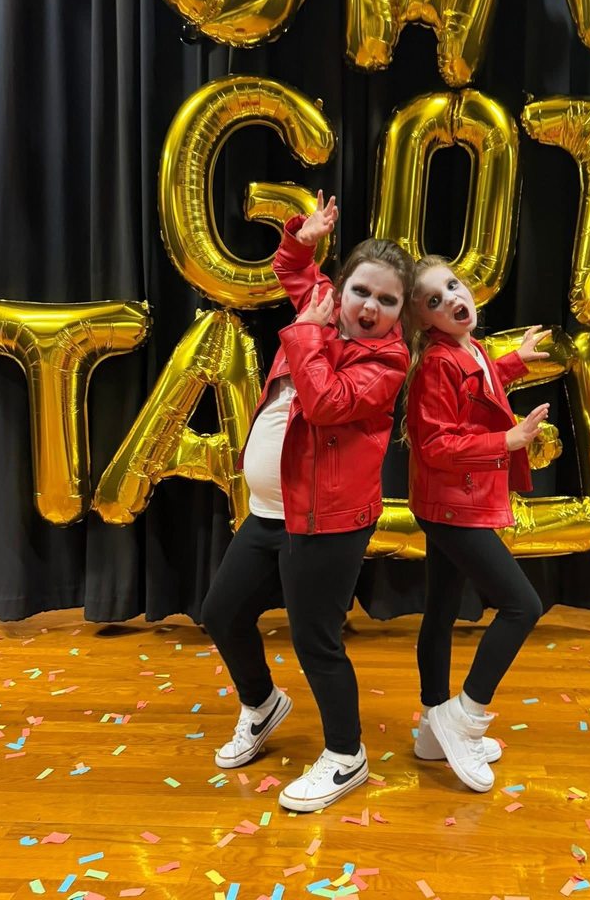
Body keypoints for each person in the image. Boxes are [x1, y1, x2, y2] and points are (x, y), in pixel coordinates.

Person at [200, 191, 413, 813]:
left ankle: (347, 755)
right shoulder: (321, 309)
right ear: (343, 289)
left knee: (316, 638)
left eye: (387, 300)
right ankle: (262, 705)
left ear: (400, 313)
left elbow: (323, 402)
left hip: (327, 523)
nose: (370, 307)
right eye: (362, 292)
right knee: (221, 613)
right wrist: (305, 237)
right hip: (272, 512)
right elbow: (293, 269)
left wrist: (307, 331)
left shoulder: (388, 359)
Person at [404, 255, 550, 793]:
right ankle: (462, 718)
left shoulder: (472, 350)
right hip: (450, 503)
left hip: (448, 500)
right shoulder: (433, 365)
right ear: (423, 321)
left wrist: (514, 361)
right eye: (434, 301)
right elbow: (435, 444)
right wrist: (506, 442)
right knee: (522, 606)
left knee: (441, 610)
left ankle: (430, 729)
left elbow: (481, 380)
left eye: (452, 286)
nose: (450, 300)